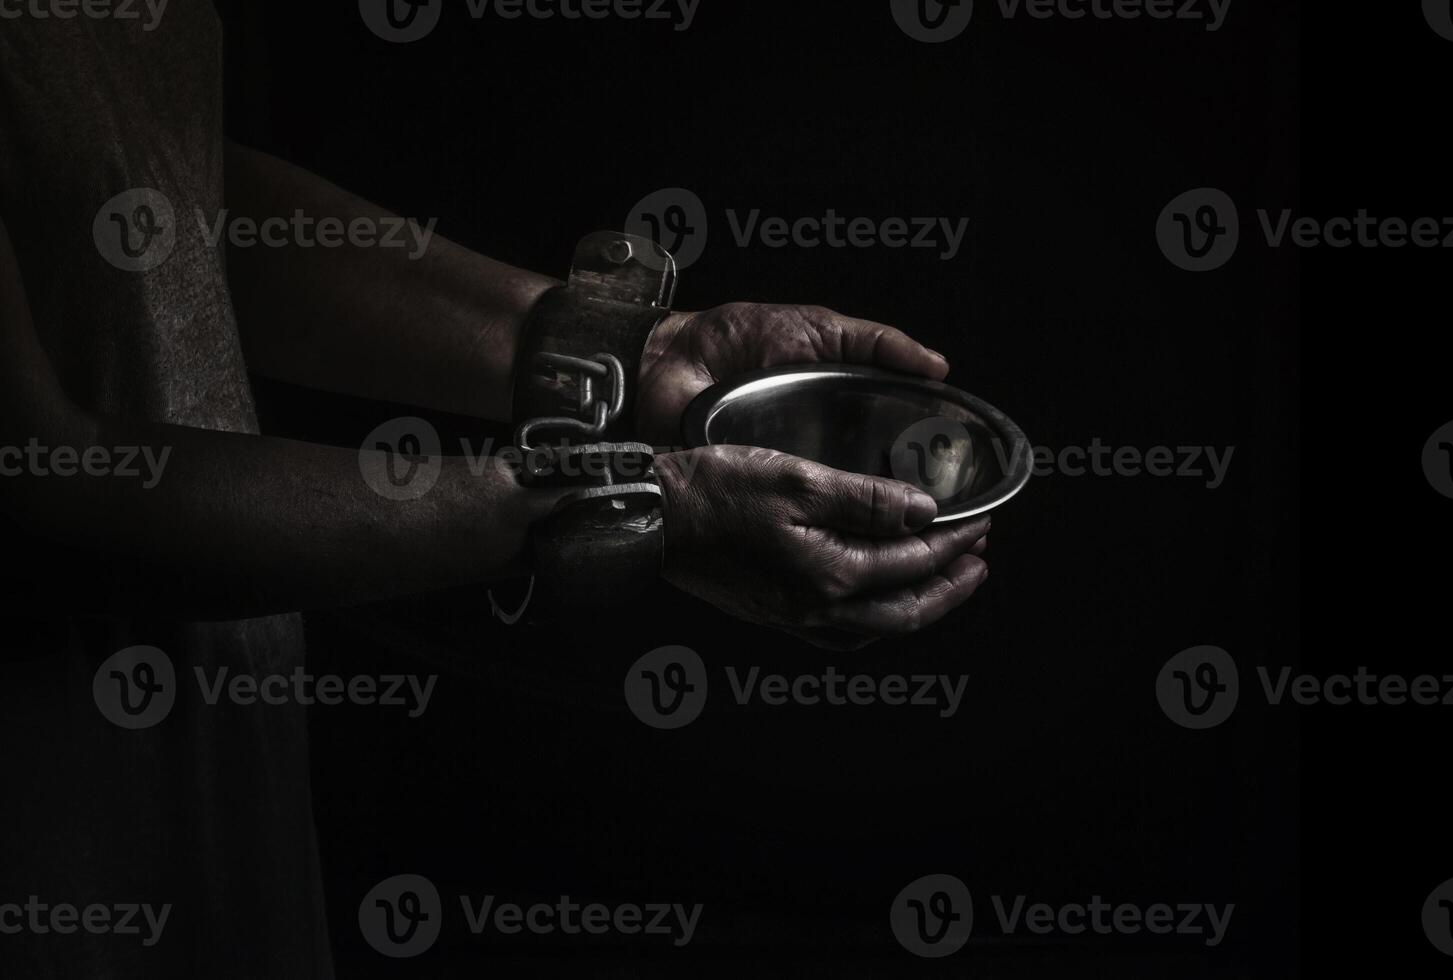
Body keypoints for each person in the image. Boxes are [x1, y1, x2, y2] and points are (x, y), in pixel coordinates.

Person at [0, 1, 990, 975]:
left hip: (208, 737)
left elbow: (133, 189)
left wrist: (635, 350)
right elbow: (39, 493)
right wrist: (633, 507)